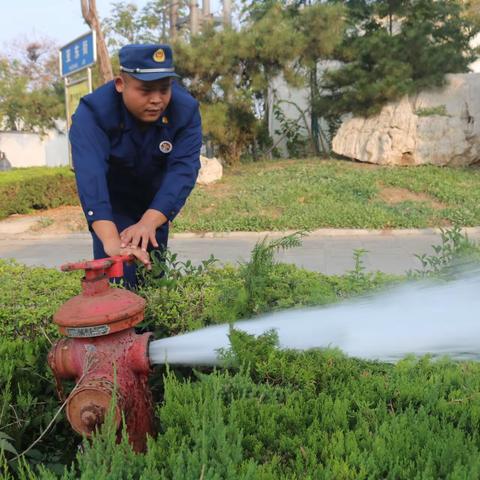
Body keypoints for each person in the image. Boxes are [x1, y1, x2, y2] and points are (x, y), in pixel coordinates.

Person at [69, 44, 202, 287]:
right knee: (116, 280)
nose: (157, 100)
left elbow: (183, 170)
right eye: (146, 90)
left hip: (156, 203)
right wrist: (111, 241)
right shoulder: (93, 112)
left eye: (164, 89)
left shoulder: (185, 111)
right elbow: (91, 174)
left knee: (153, 278)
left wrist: (150, 221)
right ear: (120, 84)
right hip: (112, 204)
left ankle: (150, 324)